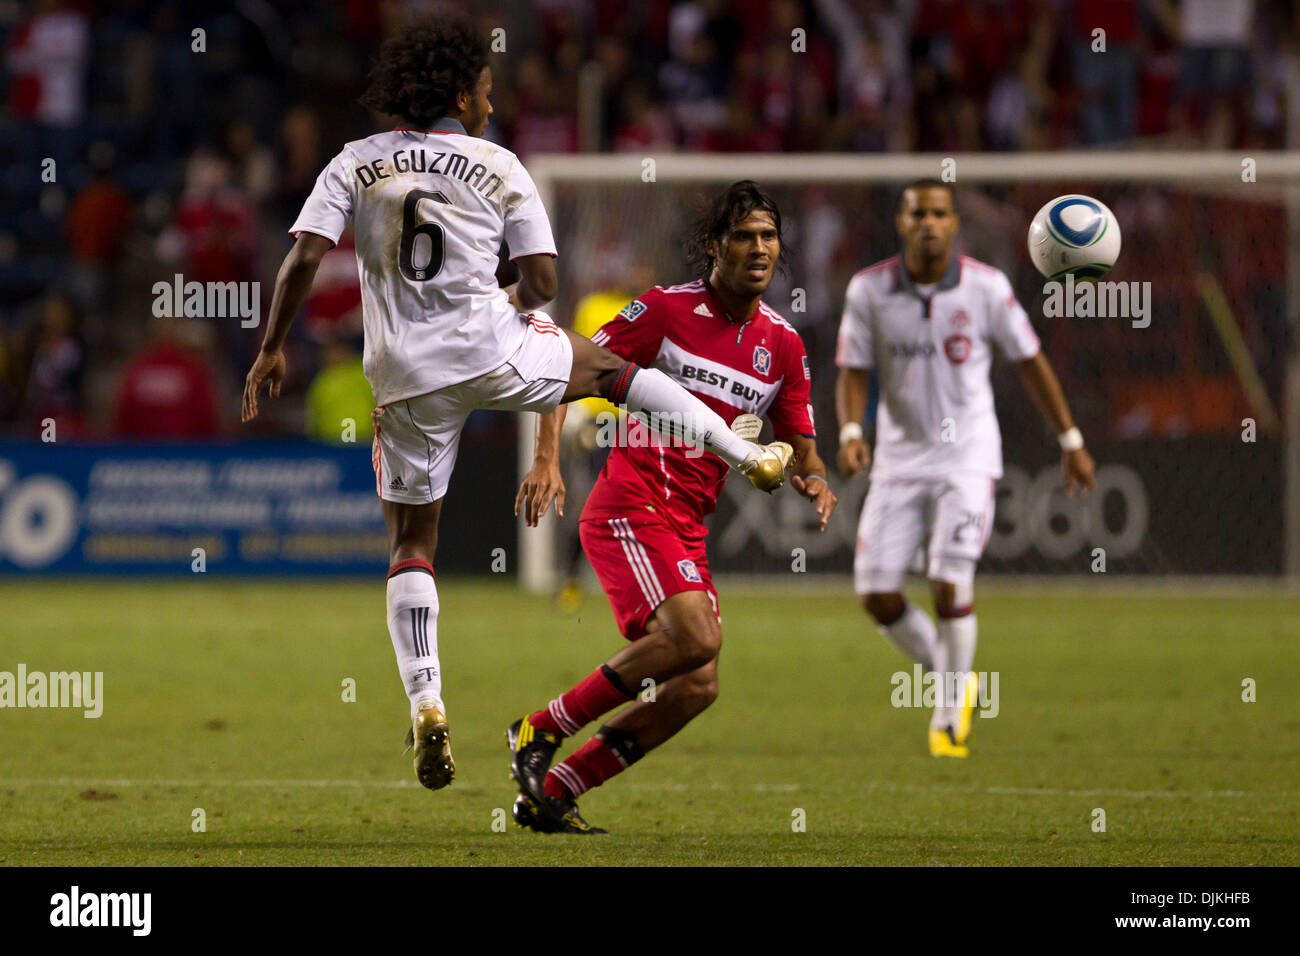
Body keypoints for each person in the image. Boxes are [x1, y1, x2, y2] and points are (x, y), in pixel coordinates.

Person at [240, 13, 793, 794]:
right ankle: (747, 451)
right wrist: (504, 303)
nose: (492, 107)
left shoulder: (354, 162)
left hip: (401, 374)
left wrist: (271, 346)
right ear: (462, 95)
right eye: (487, 92)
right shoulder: (498, 165)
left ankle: (428, 702)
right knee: (609, 370)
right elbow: (541, 284)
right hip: (490, 347)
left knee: (410, 543)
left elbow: (303, 256)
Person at [507, 181, 837, 834]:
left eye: (768, 236)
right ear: (715, 246)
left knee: (697, 684)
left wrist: (814, 478)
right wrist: (546, 457)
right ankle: (538, 729)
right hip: (631, 504)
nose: (758, 248)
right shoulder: (663, 310)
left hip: (686, 525)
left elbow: (803, 446)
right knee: (698, 637)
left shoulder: (784, 345)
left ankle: (557, 789)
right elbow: (564, 361)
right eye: (743, 235)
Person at [834, 179, 1096, 758]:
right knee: (876, 593)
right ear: (901, 223)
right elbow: (852, 369)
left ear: (955, 224)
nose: (929, 222)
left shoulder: (986, 287)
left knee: (949, 577)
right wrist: (853, 431)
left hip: (967, 458)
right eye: (917, 213)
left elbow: (1030, 362)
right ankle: (954, 673)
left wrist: (1070, 438)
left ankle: (948, 718)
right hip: (898, 461)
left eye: (939, 214)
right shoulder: (868, 291)